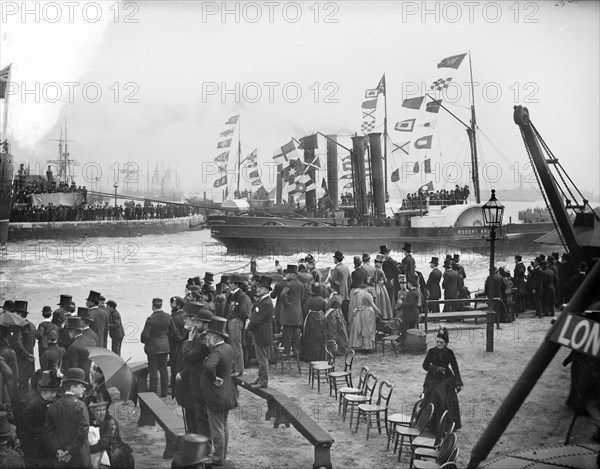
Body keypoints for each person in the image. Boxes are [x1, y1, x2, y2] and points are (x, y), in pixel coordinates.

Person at [200, 317, 238, 467]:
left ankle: (217, 457)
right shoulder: (228, 348)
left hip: (216, 396)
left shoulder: (216, 352)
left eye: (208, 336)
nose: (206, 339)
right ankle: (222, 455)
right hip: (228, 393)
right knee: (224, 425)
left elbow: (209, 367)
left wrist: (214, 378)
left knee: (216, 428)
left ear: (215, 337)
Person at [42, 368, 92, 468]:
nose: (84, 389)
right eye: (81, 386)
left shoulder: (53, 406)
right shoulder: (81, 406)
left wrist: (58, 450)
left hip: (60, 459)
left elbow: (47, 433)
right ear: (72, 387)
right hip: (80, 458)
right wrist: (70, 452)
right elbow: (83, 432)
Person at [177, 303, 213, 437]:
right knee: (191, 416)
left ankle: (198, 444)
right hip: (190, 384)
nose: (184, 320)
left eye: (187, 318)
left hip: (195, 384)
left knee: (198, 419)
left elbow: (191, 360)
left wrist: (182, 374)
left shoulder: (201, 340)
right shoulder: (193, 336)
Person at [422, 328, 463, 430]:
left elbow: (455, 367)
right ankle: (431, 424)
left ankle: (445, 426)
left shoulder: (450, 353)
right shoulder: (431, 351)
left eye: (441, 342)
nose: (439, 344)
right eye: (437, 342)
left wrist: (458, 381)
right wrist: (435, 369)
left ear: (446, 343)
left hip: (446, 378)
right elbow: (425, 365)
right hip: (433, 378)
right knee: (434, 395)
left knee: (446, 398)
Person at [140, 298, 181, 398]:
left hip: (153, 348)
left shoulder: (150, 319)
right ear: (161, 305)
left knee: (153, 370)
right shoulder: (168, 317)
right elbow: (173, 332)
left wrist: (146, 341)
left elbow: (144, 336)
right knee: (164, 370)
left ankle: (153, 392)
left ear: (153, 306)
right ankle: (164, 393)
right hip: (165, 346)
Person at [21, 371, 60, 468]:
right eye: (52, 392)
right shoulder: (32, 405)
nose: (55, 395)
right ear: (43, 392)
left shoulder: (55, 403)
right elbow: (27, 427)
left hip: (51, 446)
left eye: (55, 392)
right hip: (37, 448)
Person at [87, 397, 134, 469]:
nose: (102, 413)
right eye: (98, 410)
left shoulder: (111, 423)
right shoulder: (90, 420)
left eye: (103, 410)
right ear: (92, 411)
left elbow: (104, 443)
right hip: (100, 449)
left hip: (113, 451)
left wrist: (85, 449)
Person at [247, 276, 274, 389]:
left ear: (267, 290)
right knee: (260, 358)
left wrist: (249, 325)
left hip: (262, 333)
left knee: (262, 359)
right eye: (259, 287)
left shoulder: (267, 303)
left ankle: (263, 381)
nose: (259, 289)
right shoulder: (263, 301)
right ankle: (260, 377)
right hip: (259, 332)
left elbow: (258, 319)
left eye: (262, 288)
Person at [225, 273, 252, 377]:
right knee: (233, 346)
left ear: (236, 284)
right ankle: (234, 367)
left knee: (236, 346)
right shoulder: (232, 295)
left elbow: (243, 312)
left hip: (236, 321)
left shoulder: (241, 296)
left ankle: (239, 368)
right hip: (232, 320)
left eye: (231, 283)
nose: (229, 285)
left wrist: (237, 318)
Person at [348, 270, 381, 352]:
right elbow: (373, 305)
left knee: (363, 329)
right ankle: (367, 347)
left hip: (361, 312)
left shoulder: (356, 292)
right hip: (368, 313)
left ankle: (361, 346)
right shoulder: (367, 294)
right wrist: (379, 312)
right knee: (368, 330)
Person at [279, 265, 304, 357]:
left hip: (288, 312)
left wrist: (286, 304)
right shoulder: (301, 285)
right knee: (295, 333)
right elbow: (301, 298)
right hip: (297, 312)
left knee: (287, 333)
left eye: (288, 274)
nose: (286, 275)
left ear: (292, 274)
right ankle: (295, 350)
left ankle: (287, 351)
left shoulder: (288, 284)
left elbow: (282, 295)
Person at [300, 284, 327, 362]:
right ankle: (320, 356)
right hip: (321, 318)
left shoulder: (310, 299)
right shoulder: (322, 299)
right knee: (320, 338)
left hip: (311, 318)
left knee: (310, 337)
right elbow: (324, 308)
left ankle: (310, 356)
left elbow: (305, 309)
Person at [324, 283, 349, 355]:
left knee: (332, 332)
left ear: (333, 288)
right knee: (340, 331)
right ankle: (341, 348)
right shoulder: (340, 295)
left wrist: (326, 301)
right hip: (338, 314)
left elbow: (327, 307)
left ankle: (333, 350)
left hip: (332, 315)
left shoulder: (334, 297)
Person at [327, 251, 351, 322]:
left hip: (339, 295)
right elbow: (349, 281)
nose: (334, 260)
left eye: (334, 258)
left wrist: (328, 278)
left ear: (336, 259)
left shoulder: (337, 269)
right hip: (346, 295)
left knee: (338, 316)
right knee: (345, 316)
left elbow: (332, 280)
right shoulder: (346, 268)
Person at [373, 254, 393, 319]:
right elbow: (386, 280)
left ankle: (376, 315)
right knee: (383, 301)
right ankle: (384, 315)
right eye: (380, 263)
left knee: (376, 301)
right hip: (381, 287)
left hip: (374, 286)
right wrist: (382, 282)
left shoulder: (373, 269)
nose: (381, 264)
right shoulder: (380, 271)